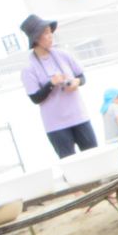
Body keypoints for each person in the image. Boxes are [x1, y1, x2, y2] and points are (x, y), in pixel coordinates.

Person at [19, 14, 98, 158]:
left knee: (94, 155)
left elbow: (81, 76)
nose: (51, 36)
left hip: (79, 116)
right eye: (46, 33)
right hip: (55, 125)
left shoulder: (63, 54)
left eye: (50, 32)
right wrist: (51, 84)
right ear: (36, 38)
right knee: (70, 163)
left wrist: (76, 82)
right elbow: (35, 98)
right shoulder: (28, 68)